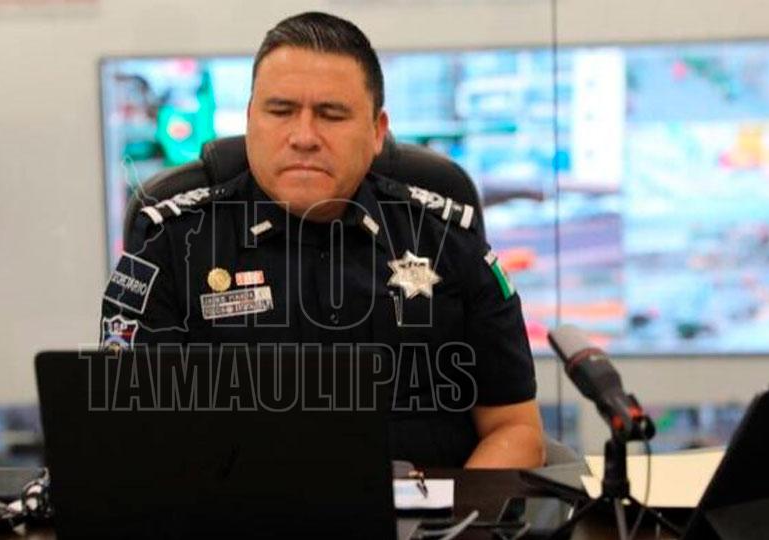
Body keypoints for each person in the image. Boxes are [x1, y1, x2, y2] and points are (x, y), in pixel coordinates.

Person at [100, 11, 545, 468]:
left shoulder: (448, 240)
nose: (304, 137)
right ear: (250, 119)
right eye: (280, 111)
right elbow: (134, 438)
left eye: (331, 115)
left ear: (377, 131)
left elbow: (514, 428)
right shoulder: (171, 244)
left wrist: (460, 511)